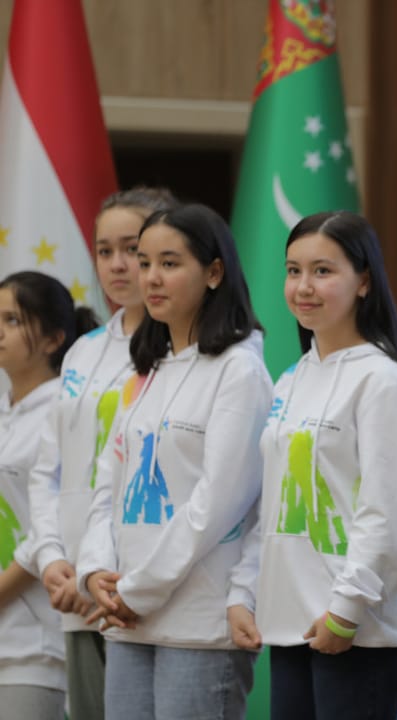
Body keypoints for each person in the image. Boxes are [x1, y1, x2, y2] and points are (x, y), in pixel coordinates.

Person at [227, 211, 397, 720]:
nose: (303, 287)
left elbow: (386, 513)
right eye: (293, 271)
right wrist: (243, 593)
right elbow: (270, 506)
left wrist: (347, 609)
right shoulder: (291, 379)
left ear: (364, 281)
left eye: (322, 271)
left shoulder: (381, 381)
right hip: (290, 621)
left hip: (357, 629)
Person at [77, 203, 273, 720]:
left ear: (214, 272)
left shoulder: (240, 371)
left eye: (169, 262)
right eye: (145, 263)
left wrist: (136, 589)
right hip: (128, 619)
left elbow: (218, 503)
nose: (150, 278)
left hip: (198, 623)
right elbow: (109, 485)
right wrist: (96, 568)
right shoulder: (149, 369)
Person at [20, 187, 176, 720]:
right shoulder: (83, 352)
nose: (117, 265)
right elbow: (48, 471)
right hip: (76, 590)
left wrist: (110, 574)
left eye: (131, 249)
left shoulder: (189, 352)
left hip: (143, 590)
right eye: (103, 250)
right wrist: (54, 561)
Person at [0, 271, 98, 718]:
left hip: (34, 643)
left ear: (55, 338)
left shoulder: (62, 408)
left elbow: (53, 515)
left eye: (13, 320)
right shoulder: (9, 414)